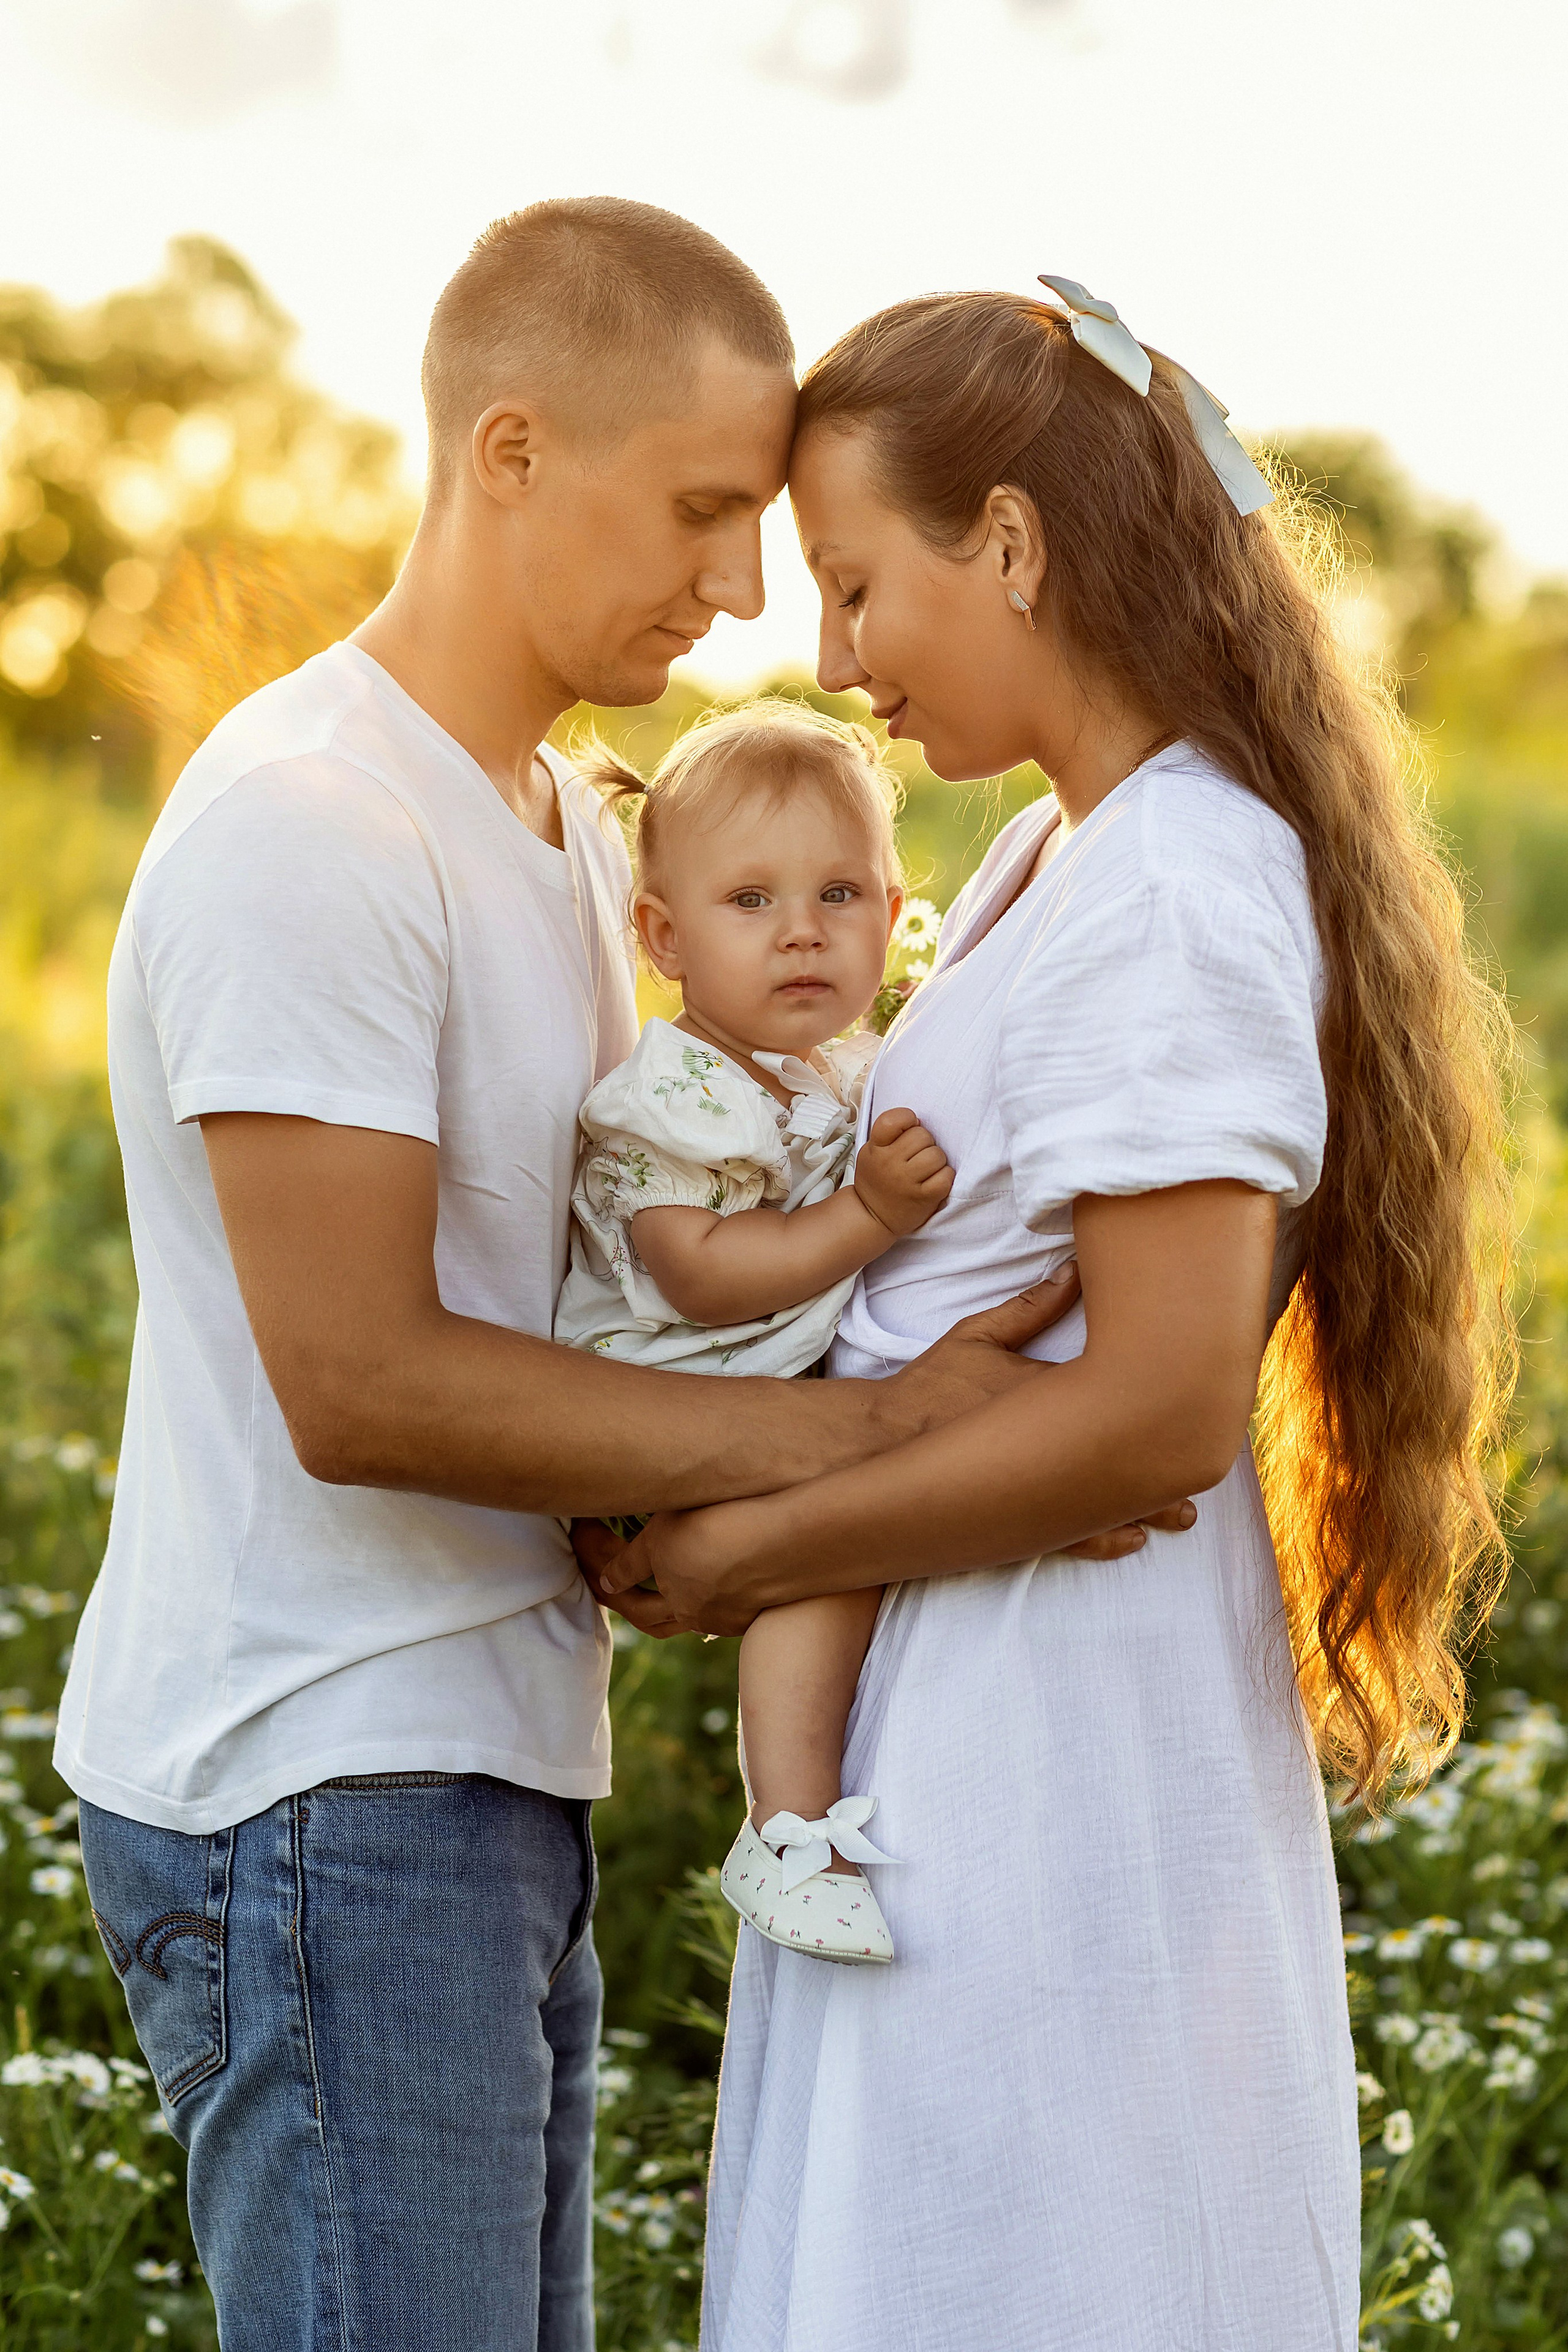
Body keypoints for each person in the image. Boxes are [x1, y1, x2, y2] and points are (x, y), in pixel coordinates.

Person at [55, 205, 1137, 2352]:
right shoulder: (312, 823)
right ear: (513, 452)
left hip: (480, 1767)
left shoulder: (571, 831)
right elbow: (360, 1381)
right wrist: (877, 1433)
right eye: (705, 510)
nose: (742, 590)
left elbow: (588, 1287)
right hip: (318, 1786)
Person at [591, 280, 1515, 2350]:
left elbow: (1161, 1410)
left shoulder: (1173, 877)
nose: (836, 663)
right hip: (960, 1690)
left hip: (1054, 1722)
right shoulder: (1051, 854)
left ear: (1008, 543)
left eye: (855, 586)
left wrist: (747, 1552)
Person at [561, 703, 950, 1964]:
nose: (801, 930)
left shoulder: (841, 1066)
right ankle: (785, 1830)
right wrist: (868, 1217)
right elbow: (702, 1276)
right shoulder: (675, 1093)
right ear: (663, 936)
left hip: (757, 1387)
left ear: (891, 913)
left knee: (864, 1541)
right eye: (750, 901)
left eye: (839, 893)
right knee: (825, 1553)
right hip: (658, 1408)